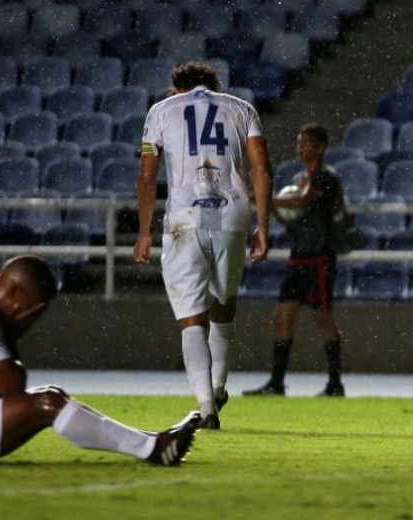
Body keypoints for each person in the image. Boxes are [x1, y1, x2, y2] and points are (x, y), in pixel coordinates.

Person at [0, 255, 200, 465]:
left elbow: (1, 397)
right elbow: (11, 392)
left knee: (51, 395)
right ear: (15, 296)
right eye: (34, 315)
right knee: (47, 404)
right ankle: (154, 449)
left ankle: (151, 441)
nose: (31, 322)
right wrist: (10, 337)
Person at [135, 62, 273, 429]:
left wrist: (144, 231)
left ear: (177, 87)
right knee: (223, 304)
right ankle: (219, 384)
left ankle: (207, 406)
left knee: (191, 317)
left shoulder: (162, 111)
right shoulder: (241, 109)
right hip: (231, 216)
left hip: (185, 219)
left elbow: (148, 176)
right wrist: (264, 226)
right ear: (214, 85)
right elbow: (262, 168)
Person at [244, 123, 349, 398]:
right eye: (300, 143)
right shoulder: (300, 179)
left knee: (321, 317)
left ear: (322, 147)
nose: (302, 148)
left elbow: (302, 203)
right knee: (282, 316)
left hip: (319, 258)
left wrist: (269, 199)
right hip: (299, 257)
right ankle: (276, 383)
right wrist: (274, 206)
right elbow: (288, 216)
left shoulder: (325, 176)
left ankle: (335, 384)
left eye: (308, 143)